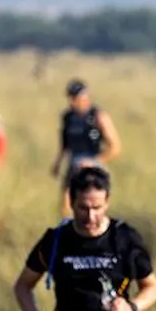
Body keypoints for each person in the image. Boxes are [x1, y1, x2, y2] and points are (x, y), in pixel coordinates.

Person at [12, 166, 156, 311]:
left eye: (97, 208)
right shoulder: (55, 240)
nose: (90, 217)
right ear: (71, 201)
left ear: (107, 202)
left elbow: (152, 287)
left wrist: (131, 307)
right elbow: (22, 286)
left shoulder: (125, 239)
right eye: (83, 208)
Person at [50, 80, 121, 215]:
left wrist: (94, 162)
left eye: (75, 98)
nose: (72, 102)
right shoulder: (68, 117)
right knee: (66, 206)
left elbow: (115, 148)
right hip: (73, 165)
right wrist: (58, 163)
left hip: (93, 166)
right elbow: (64, 143)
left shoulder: (98, 117)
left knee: (92, 206)